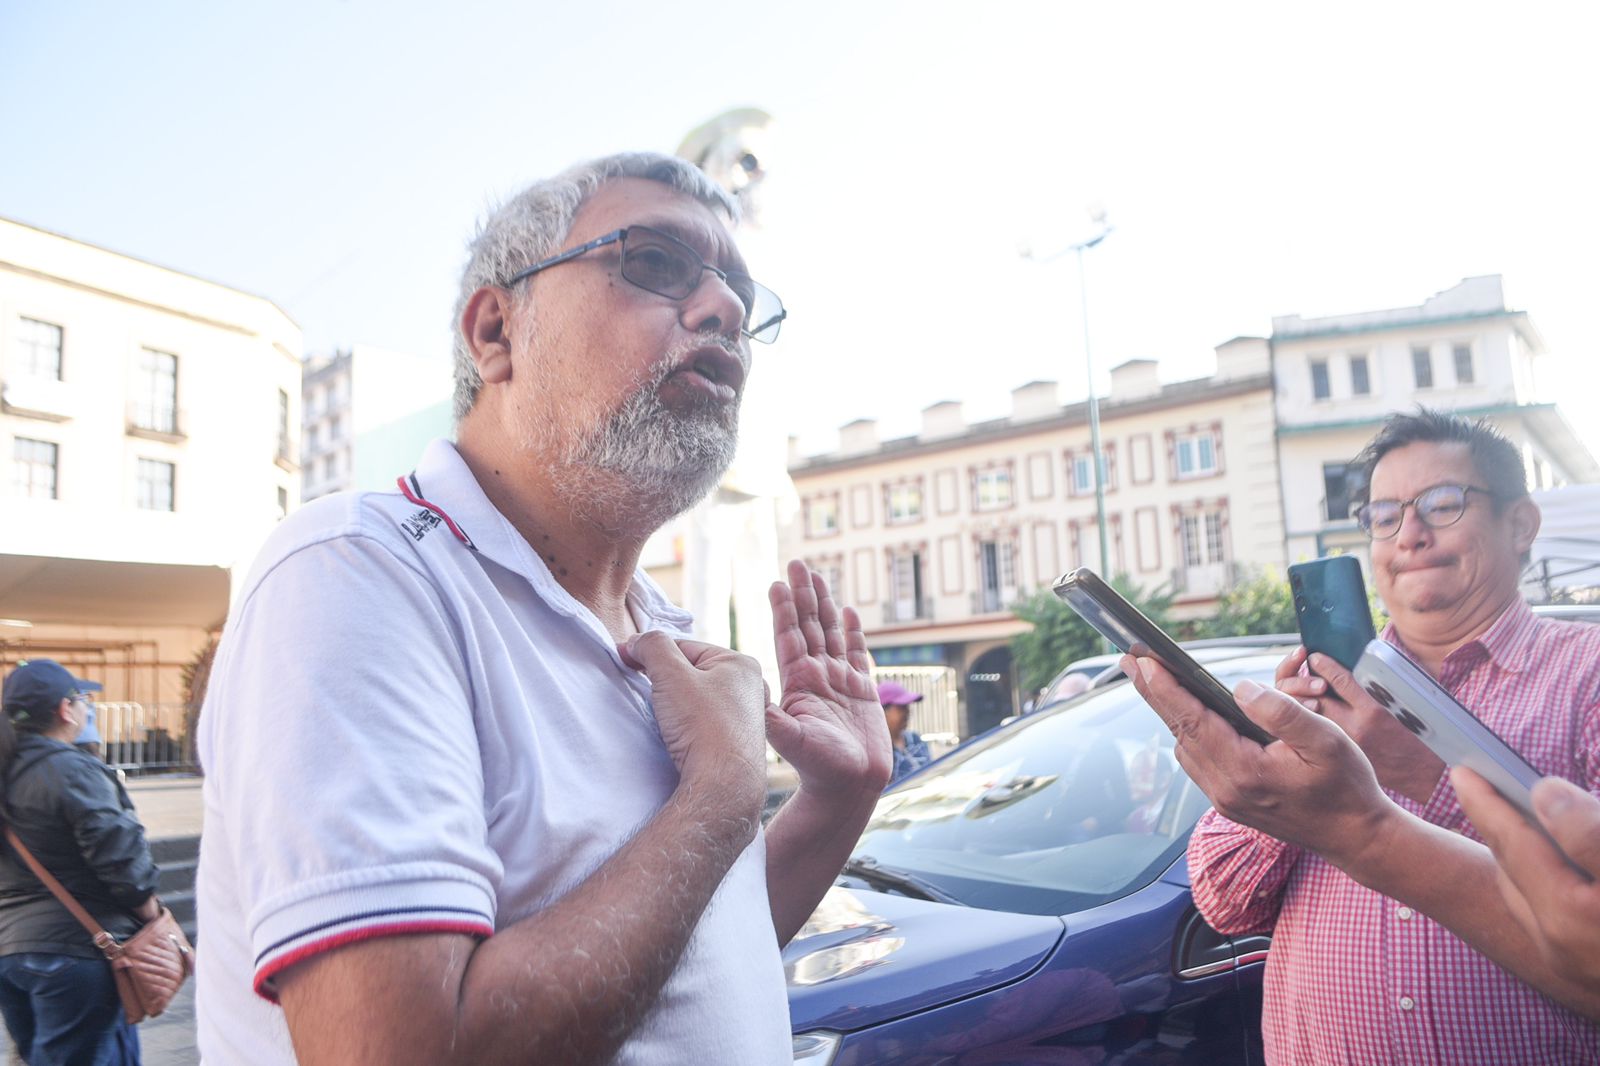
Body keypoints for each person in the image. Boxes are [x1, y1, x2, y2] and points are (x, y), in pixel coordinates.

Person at [194, 152, 891, 1065]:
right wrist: (719, 796)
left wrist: (838, 802)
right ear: (496, 332)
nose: (723, 309)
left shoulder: (664, 636)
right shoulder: (359, 573)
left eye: (741, 297)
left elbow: (690, 955)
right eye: (654, 262)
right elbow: (409, 1050)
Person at [1126, 409, 1600, 1063]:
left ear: (1520, 524)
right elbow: (1225, 901)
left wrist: (1419, 769)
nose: (1409, 534)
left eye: (1442, 503)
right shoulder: (1318, 699)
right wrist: (1279, 770)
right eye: (1384, 515)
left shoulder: (1588, 674)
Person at [0, 659, 160, 1065]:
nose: (87, 708)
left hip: (11, 953)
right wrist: (153, 917)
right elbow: (122, 861)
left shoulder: (8, 771)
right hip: (74, 953)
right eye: (83, 699)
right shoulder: (72, 770)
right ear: (65, 710)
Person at [878, 681, 931, 785]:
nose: (908, 712)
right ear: (883, 711)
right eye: (902, 708)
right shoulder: (877, 749)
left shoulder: (915, 740)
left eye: (907, 707)